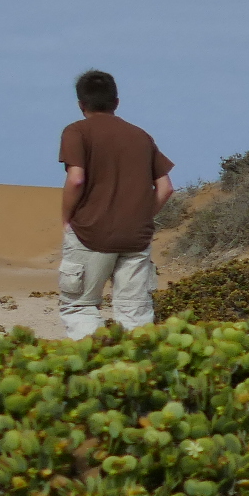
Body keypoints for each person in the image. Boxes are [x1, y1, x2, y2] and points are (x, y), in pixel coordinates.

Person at [57, 69, 173, 339]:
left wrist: (66, 218)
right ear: (116, 102)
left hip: (90, 234)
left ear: (81, 104)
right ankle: (137, 363)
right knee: (135, 314)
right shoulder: (140, 136)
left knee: (80, 306)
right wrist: (142, 216)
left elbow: (76, 179)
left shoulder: (76, 131)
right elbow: (166, 187)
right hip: (136, 238)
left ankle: (95, 360)